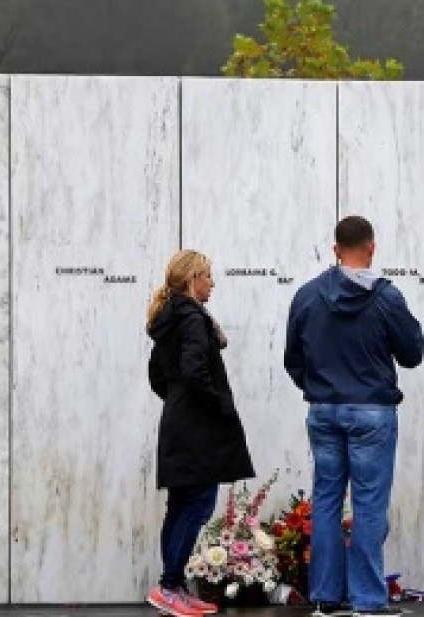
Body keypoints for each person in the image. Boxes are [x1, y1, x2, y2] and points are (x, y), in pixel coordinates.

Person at [285, 215, 424, 617]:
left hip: (323, 410)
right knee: (368, 504)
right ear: (372, 247)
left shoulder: (307, 296)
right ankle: (366, 600)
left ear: (334, 249)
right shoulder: (386, 298)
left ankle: (325, 598)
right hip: (372, 412)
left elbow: (292, 359)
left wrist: (321, 390)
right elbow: (413, 354)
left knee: (326, 499)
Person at [146, 249, 256, 617]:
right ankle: (169, 587)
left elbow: (158, 376)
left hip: (179, 423)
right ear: (192, 280)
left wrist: (178, 402)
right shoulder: (192, 318)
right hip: (197, 429)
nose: (212, 282)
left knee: (180, 508)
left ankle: (172, 586)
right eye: (207, 276)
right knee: (196, 507)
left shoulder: (168, 318)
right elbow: (195, 372)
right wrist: (219, 407)